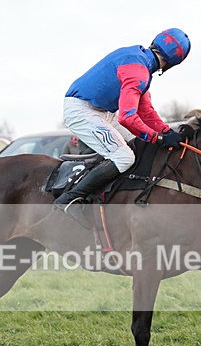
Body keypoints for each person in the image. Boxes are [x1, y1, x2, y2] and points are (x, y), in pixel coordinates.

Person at [55, 28, 191, 223]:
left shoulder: (141, 61)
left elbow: (146, 112)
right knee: (124, 157)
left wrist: (169, 132)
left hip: (101, 112)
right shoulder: (139, 72)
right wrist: (158, 138)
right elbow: (127, 118)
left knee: (139, 144)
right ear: (172, 63)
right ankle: (69, 199)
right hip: (82, 111)